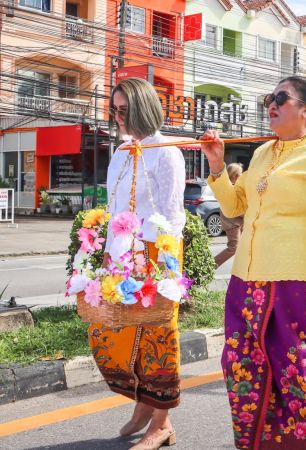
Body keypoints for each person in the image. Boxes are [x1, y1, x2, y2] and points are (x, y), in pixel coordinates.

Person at [200, 76, 306, 449]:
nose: (272, 102)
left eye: (282, 98)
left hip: (298, 283)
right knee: (243, 373)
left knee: (294, 376)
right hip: (247, 282)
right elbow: (236, 206)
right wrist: (218, 165)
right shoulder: (262, 153)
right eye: (271, 96)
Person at [89, 77, 186, 449]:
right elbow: (115, 207)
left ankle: (161, 423)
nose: (116, 116)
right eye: (113, 109)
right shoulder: (120, 152)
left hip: (155, 255)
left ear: (143, 109)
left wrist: (164, 270)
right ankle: (144, 404)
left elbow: (172, 215)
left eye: (123, 110)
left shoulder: (167, 151)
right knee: (109, 334)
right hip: (119, 257)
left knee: (157, 339)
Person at [214, 163, 244, 268]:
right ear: (235, 175)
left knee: (244, 248)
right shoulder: (231, 188)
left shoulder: (230, 187)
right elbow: (236, 207)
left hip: (237, 222)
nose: (242, 175)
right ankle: (210, 266)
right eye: (241, 173)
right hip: (232, 223)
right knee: (234, 248)